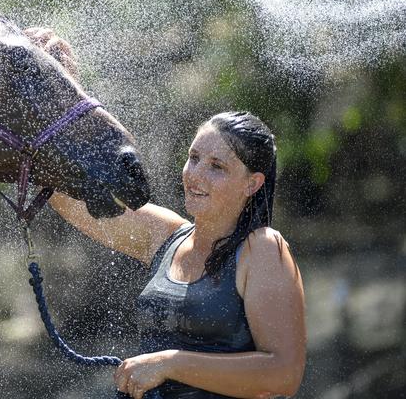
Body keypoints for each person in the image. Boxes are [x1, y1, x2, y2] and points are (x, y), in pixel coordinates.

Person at [25, 29, 306, 399]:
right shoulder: (166, 236)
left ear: (252, 184)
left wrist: (170, 363)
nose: (195, 175)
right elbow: (69, 200)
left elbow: (282, 373)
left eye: (217, 166)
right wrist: (52, 85)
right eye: (193, 159)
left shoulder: (263, 250)